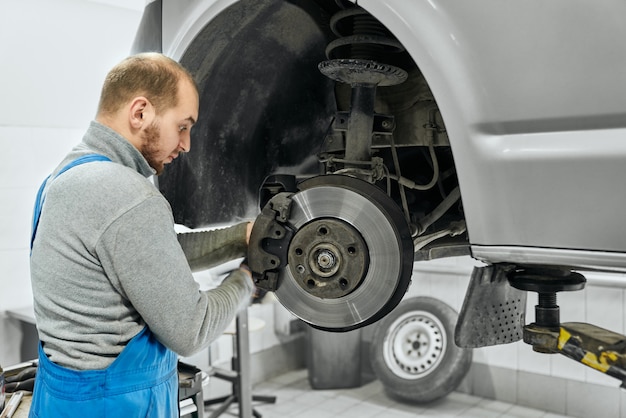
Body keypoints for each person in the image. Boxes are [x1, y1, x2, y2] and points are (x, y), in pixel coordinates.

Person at [28, 53, 256, 417]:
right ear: (140, 113)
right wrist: (248, 279)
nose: (187, 144)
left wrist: (241, 236)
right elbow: (191, 331)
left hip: (62, 401)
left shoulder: (66, 175)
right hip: (117, 405)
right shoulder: (129, 195)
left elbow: (151, 253)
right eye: (183, 126)